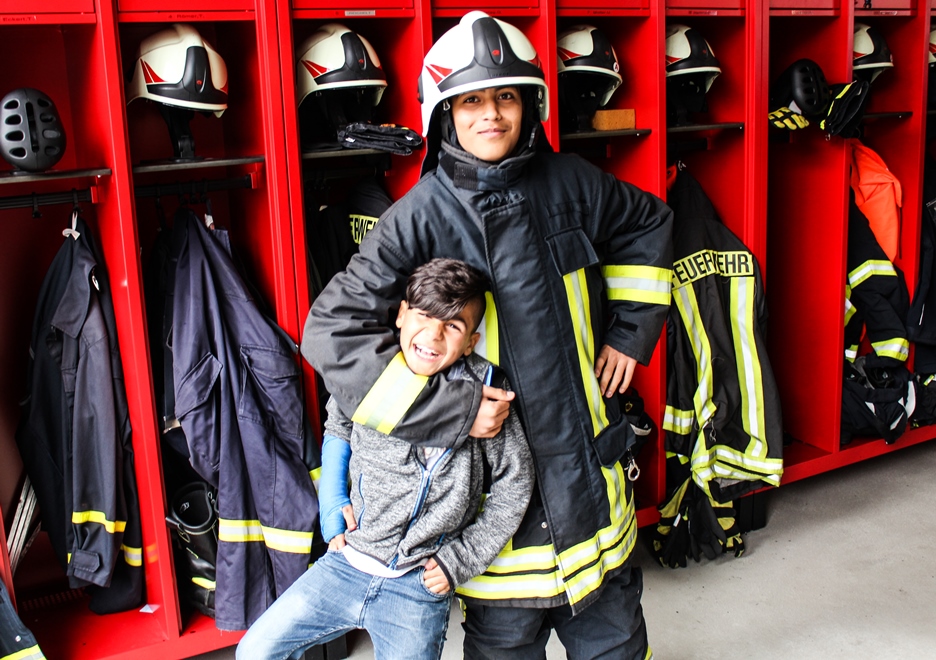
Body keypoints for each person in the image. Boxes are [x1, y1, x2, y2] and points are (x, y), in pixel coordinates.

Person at [303, 11, 673, 658]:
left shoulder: (574, 184)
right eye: (471, 99)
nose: (491, 115)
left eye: (506, 96)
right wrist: (450, 410)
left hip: (595, 506)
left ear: (533, 103)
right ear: (443, 113)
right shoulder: (417, 217)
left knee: (617, 647)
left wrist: (631, 333)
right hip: (495, 536)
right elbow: (330, 331)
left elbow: (649, 224)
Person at [236, 258, 534, 660]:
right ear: (401, 316)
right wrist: (333, 499)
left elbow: (514, 482)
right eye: (424, 316)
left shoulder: (486, 391)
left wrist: (458, 560)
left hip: (416, 584)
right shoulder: (372, 369)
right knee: (255, 651)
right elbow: (339, 426)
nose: (433, 334)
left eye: (453, 326)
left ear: (471, 341)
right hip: (346, 562)